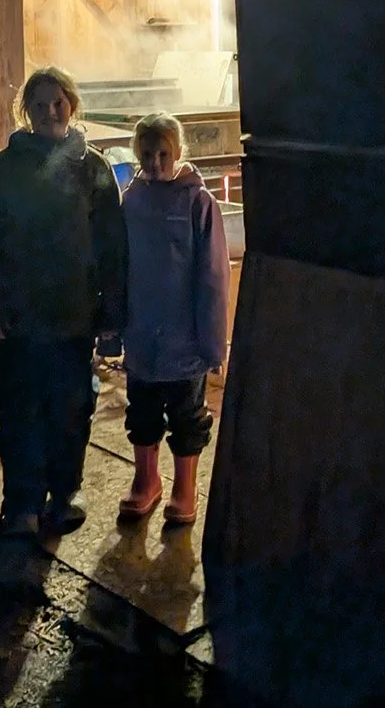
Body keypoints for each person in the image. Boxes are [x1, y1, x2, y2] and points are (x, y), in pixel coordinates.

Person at [0, 66, 127, 538]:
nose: (51, 111)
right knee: (18, 413)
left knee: (71, 412)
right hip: (17, 322)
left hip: (74, 320)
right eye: (40, 104)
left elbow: (112, 247)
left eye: (58, 102)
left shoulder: (93, 169)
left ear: (72, 106)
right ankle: (21, 506)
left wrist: (112, 316)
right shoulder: (2, 168)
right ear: (28, 112)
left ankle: (62, 497)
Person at [118, 112, 230, 525]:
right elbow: (118, 267)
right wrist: (114, 333)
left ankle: (185, 487)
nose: (156, 162)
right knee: (142, 412)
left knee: (187, 415)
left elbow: (214, 276)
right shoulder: (131, 200)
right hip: (142, 335)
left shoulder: (199, 203)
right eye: (147, 154)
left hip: (185, 340)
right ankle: (146, 480)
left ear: (179, 152)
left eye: (164, 153)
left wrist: (213, 343)